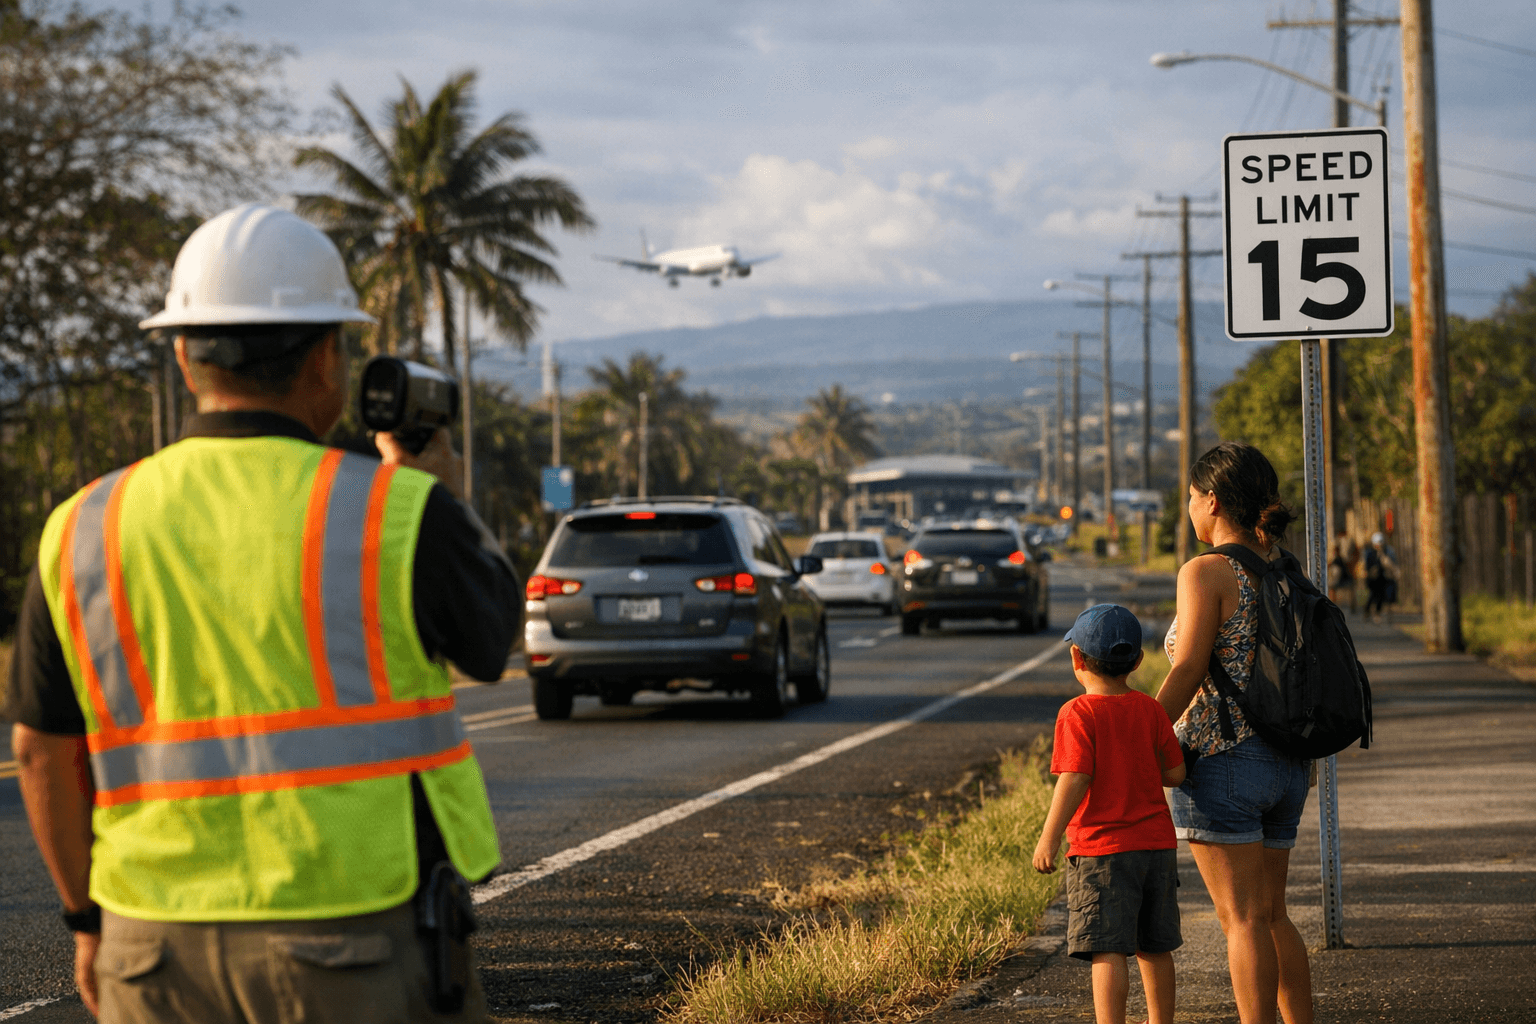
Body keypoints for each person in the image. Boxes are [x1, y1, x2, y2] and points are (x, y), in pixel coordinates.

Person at [3, 203, 521, 1022]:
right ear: (326, 356)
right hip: (352, 937)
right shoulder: (392, 511)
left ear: (183, 355)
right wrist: (444, 493)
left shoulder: (83, 525)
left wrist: (87, 923)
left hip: (152, 947)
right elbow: (492, 644)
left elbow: (39, 751)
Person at [1157, 441, 1313, 1024]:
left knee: (1241, 920)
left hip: (1223, 761)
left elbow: (1190, 666)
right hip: (1288, 762)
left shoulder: (1206, 572)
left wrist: (1139, 727)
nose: (1190, 509)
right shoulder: (1285, 570)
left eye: (1192, 498)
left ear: (1212, 501)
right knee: (1274, 915)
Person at [1033, 604, 1186, 1024]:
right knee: (1155, 947)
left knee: (1108, 948)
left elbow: (1075, 777)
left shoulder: (1078, 713)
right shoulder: (1152, 710)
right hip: (1156, 847)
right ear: (1137, 661)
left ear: (1076, 659)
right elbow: (1175, 773)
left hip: (1102, 851)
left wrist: (1049, 837)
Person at [1363, 531, 1398, 622]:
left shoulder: (1388, 551)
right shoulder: (1370, 553)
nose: (1379, 545)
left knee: (1381, 596)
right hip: (1372, 579)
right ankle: (1367, 611)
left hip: (1382, 578)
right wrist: (1371, 570)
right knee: (1373, 595)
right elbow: (1367, 566)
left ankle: (1377, 613)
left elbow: (1392, 563)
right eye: (1377, 543)